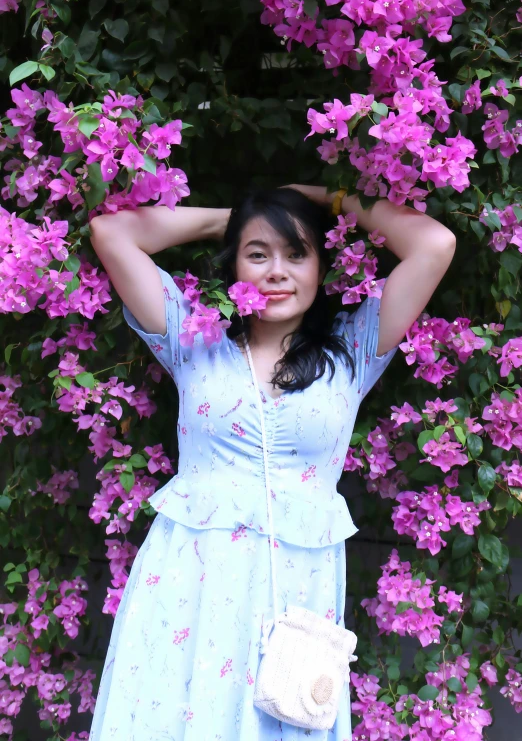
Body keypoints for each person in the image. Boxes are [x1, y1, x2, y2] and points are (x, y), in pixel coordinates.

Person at [87, 184, 456, 740]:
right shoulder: (193, 340)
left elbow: (434, 243)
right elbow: (112, 233)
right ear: (234, 265)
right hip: (191, 586)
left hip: (295, 602)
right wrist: (234, 216)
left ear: (321, 267)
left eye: (296, 252)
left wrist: (333, 201)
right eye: (258, 253)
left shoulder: (352, 351)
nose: (277, 270)